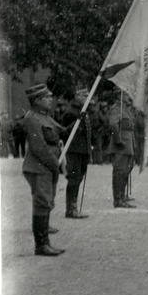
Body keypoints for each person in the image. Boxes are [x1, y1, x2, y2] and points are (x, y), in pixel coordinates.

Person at [21, 83, 65, 256]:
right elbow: (39, 147)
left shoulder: (45, 117)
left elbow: (62, 132)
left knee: (46, 202)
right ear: (37, 100)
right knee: (42, 203)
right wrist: (55, 164)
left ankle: (44, 242)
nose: (50, 100)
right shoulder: (32, 119)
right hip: (39, 166)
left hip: (47, 166)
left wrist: (79, 119)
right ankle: (41, 245)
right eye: (47, 97)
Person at [59, 88, 92, 218]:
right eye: (84, 96)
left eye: (87, 96)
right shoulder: (70, 113)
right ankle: (70, 209)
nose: (86, 98)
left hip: (83, 151)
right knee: (73, 179)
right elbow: (63, 132)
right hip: (73, 151)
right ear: (77, 97)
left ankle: (74, 207)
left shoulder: (83, 112)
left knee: (78, 179)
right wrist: (76, 122)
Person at [107, 90, 138, 208]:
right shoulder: (116, 109)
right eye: (125, 94)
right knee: (119, 172)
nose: (128, 96)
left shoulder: (125, 109)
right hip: (121, 145)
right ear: (119, 95)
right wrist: (118, 140)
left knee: (125, 171)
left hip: (128, 144)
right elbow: (113, 124)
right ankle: (118, 199)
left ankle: (122, 196)